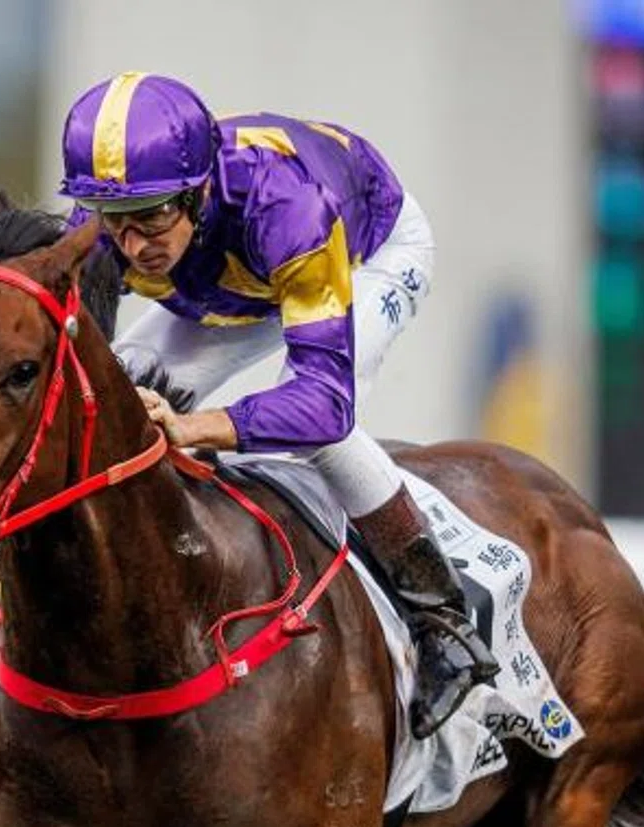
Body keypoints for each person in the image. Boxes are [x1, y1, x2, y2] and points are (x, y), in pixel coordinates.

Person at [60, 70, 497, 738]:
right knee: (116, 386)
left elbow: (323, 405)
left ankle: (445, 625)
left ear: (201, 191)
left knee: (321, 435)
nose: (134, 246)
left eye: (151, 217)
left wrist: (190, 426)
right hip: (235, 279)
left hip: (359, 256)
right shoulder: (109, 221)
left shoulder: (287, 209)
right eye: (114, 222)